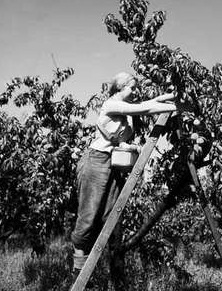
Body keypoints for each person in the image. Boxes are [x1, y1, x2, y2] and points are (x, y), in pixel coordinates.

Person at [71, 72, 177, 276]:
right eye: (132, 87)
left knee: (107, 215)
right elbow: (145, 108)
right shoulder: (111, 104)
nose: (135, 91)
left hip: (112, 164)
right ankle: (78, 269)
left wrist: (171, 97)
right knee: (89, 214)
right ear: (120, 88)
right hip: (95, 161)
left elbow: (150, 102)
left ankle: (88, 271)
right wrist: (176, 107)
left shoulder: (126, 110)